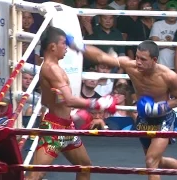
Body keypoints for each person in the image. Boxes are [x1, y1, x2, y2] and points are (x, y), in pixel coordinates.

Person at [66, 36, 177, 180]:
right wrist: (79, 45)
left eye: (143, 59)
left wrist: (159, 108)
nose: (138, 62)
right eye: (137, 57)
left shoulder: (168, 76)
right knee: (156, 161)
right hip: (144, 119)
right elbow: (101, 57)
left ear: (154, 60)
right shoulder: (131, 66)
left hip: (163, 118)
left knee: (151, 161)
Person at [25, 26, 120, 180]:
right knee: (36, 175)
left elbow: (53, 99)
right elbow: (69, 100)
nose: (67, 47)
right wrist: (97, 103)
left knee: (85, 167)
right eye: (64, 43)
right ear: (52, 46)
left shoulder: (53, 67)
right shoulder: (52, 69)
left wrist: (70, 109)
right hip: (54, 130)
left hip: (66, 126)